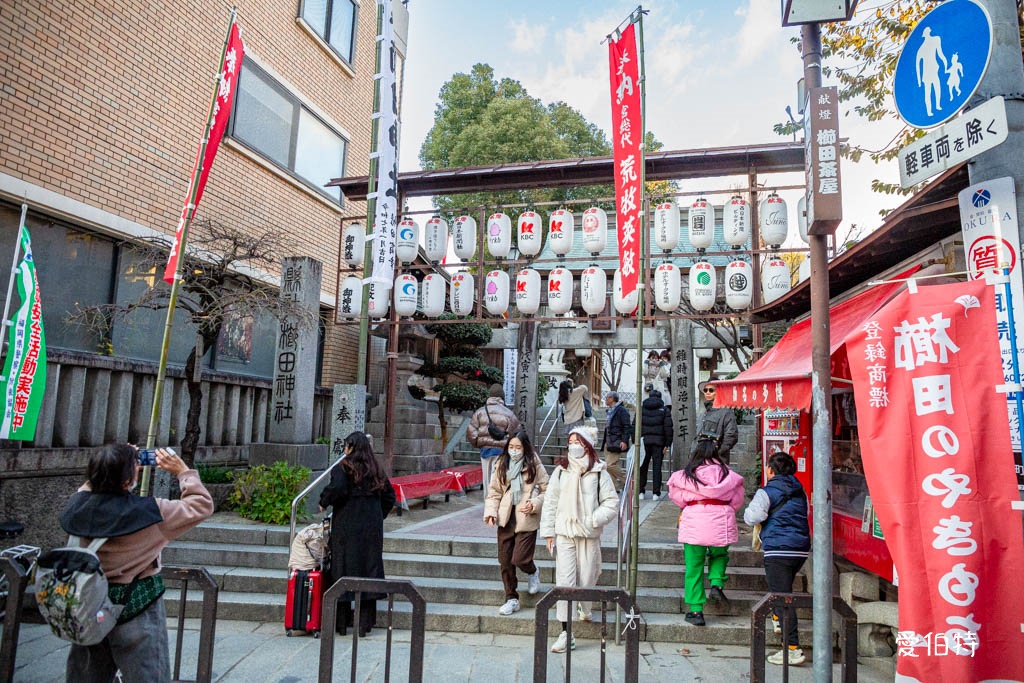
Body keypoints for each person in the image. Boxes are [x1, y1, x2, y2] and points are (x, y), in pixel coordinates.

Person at [61, 444, 214, 682]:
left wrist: (113, 465)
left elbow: (88, 488)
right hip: (136, 607)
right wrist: (183, 471)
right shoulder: (151, 513)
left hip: (88, 605)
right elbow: (201, 504)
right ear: (128, 479)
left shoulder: (77, 506)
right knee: (148, 674)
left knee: (86, 675)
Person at [539, 426, 618, 653]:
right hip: (565, 533)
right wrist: (548, 532)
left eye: (578, 442)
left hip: (588, 534)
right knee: (565, 582)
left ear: (587, 446)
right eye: (571, 442)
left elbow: (611, 502)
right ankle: (567, 633)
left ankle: (585, 606)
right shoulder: (561, 471)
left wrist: (593, 519)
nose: (573, 446)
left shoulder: (599, 472)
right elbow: (551, 501)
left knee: (587, 577)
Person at [319, 431, 396, 637]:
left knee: (342, 569)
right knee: (368, 568)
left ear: (352, 448)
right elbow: (390, 496)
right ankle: (365, 624)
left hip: (347, 525)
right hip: (371, 527)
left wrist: (324, 501)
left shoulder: (343, 468)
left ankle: (342, 623)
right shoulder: (376, 469)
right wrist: (378, 514)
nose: (344, 450)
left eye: (346, 446)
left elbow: (338, 488)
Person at [667, 439, 745, 627]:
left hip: (695, 520)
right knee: (719, 554)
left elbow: (676, 496)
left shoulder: (687, 475)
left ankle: (696, 611)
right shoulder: (727, 474)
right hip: (721, 520)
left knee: (694, 567)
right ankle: (717, 583)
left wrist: (693, 500)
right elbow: (737, 500)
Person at [744, 451, 810, 666]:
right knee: (781, 589)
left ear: (770, 470)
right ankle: (778, 620)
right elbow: (806, 514)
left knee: (782, 598)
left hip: (778, 548)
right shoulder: (800, 492)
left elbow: (752, 517)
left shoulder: (767, 492)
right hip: (800, 548)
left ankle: (792, 648)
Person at [483, 430, 549, 616]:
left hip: (526, 518)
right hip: (506, 518)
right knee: (505, 561)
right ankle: (511, 598)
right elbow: (494, 491)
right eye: (511, 447)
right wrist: (491, 512)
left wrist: (535, 503)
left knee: (520, 559)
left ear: (525, 448)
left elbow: (548, 490)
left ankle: (532, 571)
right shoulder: (502, 463)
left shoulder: (534, 463)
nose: (514, 450)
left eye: (518, 447)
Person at [467, 383, 521, 494]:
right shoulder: (509, 413)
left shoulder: (480, 412)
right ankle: (498, 501)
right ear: (502, 397)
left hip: (485, 451)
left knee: (487, 480)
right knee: (499, 480)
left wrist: (478, 443)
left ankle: (488, 501)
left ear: (490, 396)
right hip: (502, 451)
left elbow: (471, 432)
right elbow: (516, 432)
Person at [636, 386, 672, 500]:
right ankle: (656, 493)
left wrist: (635, 441)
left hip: (644, 442)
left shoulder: (641, 409)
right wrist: (667, 443)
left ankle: (640, 491)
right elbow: (668, 428)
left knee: (643, 467)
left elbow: (635, 425)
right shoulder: (664, 410)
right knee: (657, 467)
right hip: (659, 443)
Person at [692, 380, 738, 464]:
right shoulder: (703, 413)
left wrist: (717, 453)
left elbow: (731, 436)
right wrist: (693, 453)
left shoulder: (726, 412)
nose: (707, 392)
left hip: (717, 461)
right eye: (705, 390)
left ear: (718, 392)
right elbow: (697, 437)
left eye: (711, 390)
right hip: (698, 460)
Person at [600, 391, 631, 491]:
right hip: (608, 441)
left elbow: (627, 426)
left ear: (612, 399)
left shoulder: (622, 410)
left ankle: (628, 480)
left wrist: (624, 441)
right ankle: (615, 487)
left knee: (608, 465)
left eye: (607, 397)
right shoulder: (609, 410)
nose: (605, 399)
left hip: (617, 440)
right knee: (607, 467)